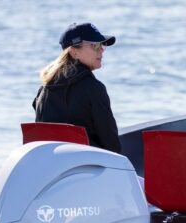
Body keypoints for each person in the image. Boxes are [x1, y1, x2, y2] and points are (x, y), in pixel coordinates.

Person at [32, 22, 121, 153]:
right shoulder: (94, 89)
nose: (102, 49)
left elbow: (41, 142)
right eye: (95, 45)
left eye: (102, 45)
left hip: (50, 162)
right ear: (74, 52)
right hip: (88, 163)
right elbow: (111, 143)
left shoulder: (44, 90)